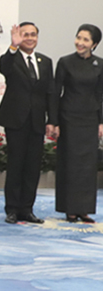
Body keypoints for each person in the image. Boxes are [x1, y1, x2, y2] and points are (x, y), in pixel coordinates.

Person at [0, 22, 54, 224]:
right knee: (16, 165)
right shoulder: (11, 58)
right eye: (25, 34)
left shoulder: (45, 61)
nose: (29, 38)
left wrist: (52, 120)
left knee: (32, 167)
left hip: (37, 121)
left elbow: (50, 92)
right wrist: (13, 46)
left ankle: (27, 209)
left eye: (33, 34)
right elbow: (4, 68)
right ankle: (12, 209)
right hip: (15, 120)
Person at [50, 23, 103, 223]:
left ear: (94, 44)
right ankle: (70, 209)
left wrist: (101, 122)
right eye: (78, 38)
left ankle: (84, 209)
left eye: (85, 40)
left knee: (87, 167)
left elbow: (100, 95)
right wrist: (53, 121)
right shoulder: (65, 62)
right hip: (68, 118)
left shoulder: (100, 64)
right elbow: (55, 93)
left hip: (90, 119)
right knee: (70, 164)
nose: (80, 43)